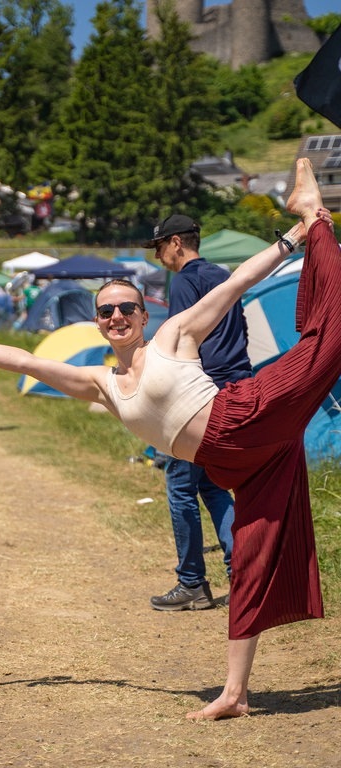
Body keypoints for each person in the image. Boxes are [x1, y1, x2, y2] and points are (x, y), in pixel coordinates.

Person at [0, 158, 337, 721]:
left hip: (240, 419)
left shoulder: (175, 336)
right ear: (98, 322)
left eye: (127, 307)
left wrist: (293, 236)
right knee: (250, 562)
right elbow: (26, 359)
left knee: (325, 346)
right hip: (242, 466)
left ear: (144, 313)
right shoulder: (102, 384)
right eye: (108, 311)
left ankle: (312, 216)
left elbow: (241, 281)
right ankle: (235, 694)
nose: (118, 315)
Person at [144, 214, 252, 611]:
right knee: (210, 485)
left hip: (202, 392)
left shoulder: (185, 281)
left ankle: (192, 583)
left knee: (180, 485)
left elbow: (184, 338)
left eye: (158, 248)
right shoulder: (223, 275)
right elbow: (239, 330)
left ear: (176, 243)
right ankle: (242, 572)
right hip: (238, 387)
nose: (158, 257)